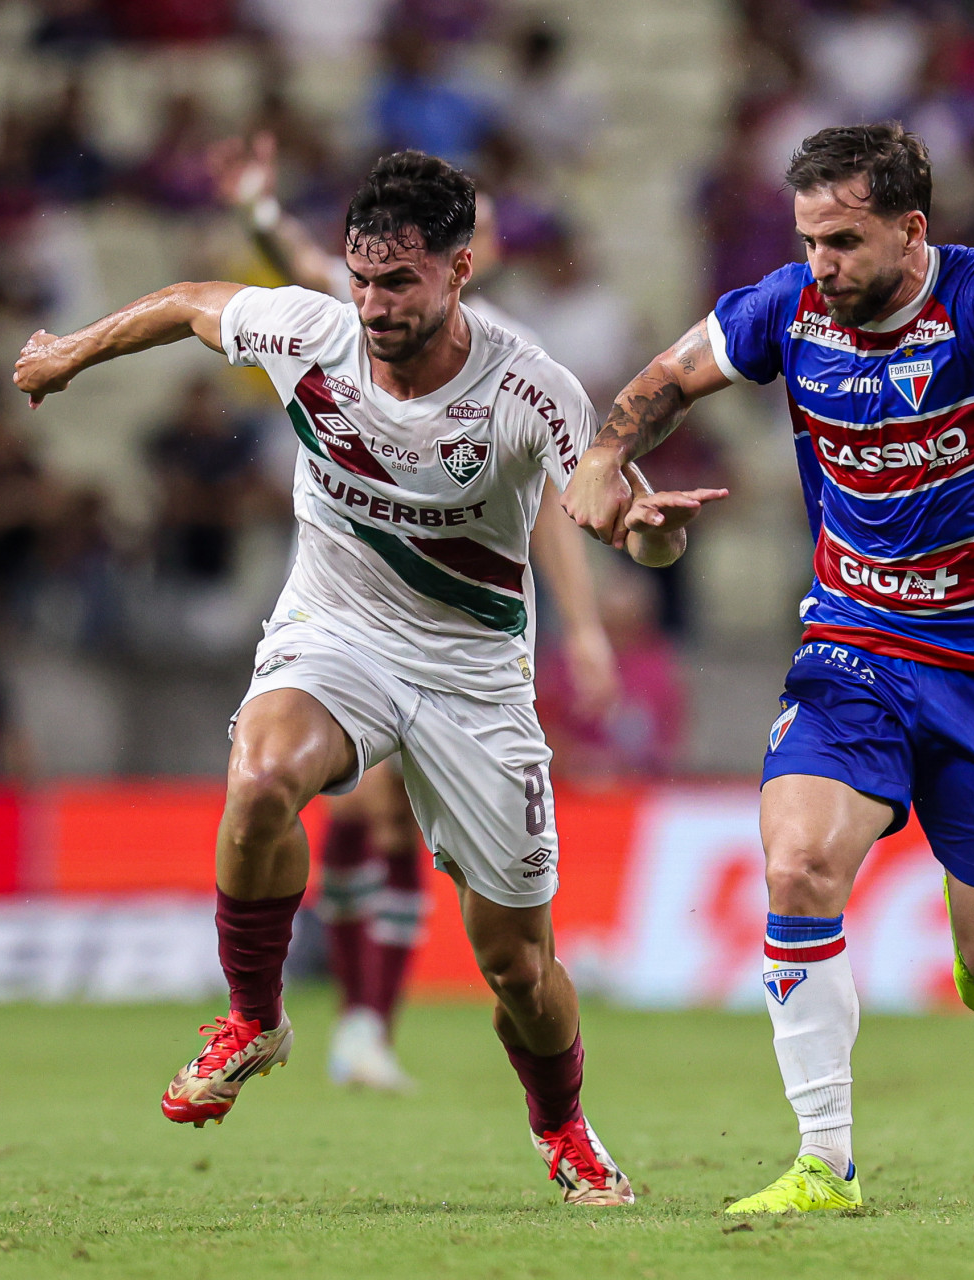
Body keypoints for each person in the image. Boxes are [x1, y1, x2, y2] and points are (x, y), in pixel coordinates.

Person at [13, 151, 725, 1203]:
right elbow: (190, 302)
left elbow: (619, 516)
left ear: (459, 271)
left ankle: (565, 1127)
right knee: (262, 777)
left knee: (518, 967)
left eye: (400, 282)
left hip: (476, 677)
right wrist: (70, 353)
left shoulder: (529, 389)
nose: (375, 305)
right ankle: (255, 1017)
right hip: (338, 631)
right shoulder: (312, 334)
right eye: (361, 279)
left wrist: (653, 535)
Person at [562, 123, 974, 1214]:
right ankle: (823, 1161)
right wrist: (606, 452)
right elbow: (669, 378)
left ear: (911, 230)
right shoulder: (787, 308)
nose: (821, 264)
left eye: (843, 241)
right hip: (854, 644)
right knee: (796, 867)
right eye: (808, 241)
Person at [208, 130, 619, 1093]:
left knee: (413, 843)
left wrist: (586, 627)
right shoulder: (364, 317)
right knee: (340, 796)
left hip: (460, 640)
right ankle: (351, 1018)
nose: (378, 293)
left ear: (466, 260)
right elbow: (299, 270)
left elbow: (553, 512)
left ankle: (369, 1022)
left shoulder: (513, 370)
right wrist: (258, 208)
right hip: (349, 609)